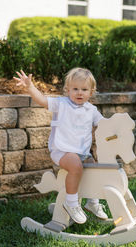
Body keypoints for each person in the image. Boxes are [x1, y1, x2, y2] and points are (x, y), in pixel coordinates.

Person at [13, 68, 108, 224]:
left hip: (83, 153)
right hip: (63, 151)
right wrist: (30, 86)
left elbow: (104, 125)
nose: (79, 93)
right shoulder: (62, 104)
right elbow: (43, 101)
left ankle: (93, 202)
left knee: (94, 169)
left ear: (91, 92)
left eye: (84, 89)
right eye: (75, 89)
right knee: (76, 166)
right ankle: (71, 203)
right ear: (68, 90)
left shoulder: (92, 110)